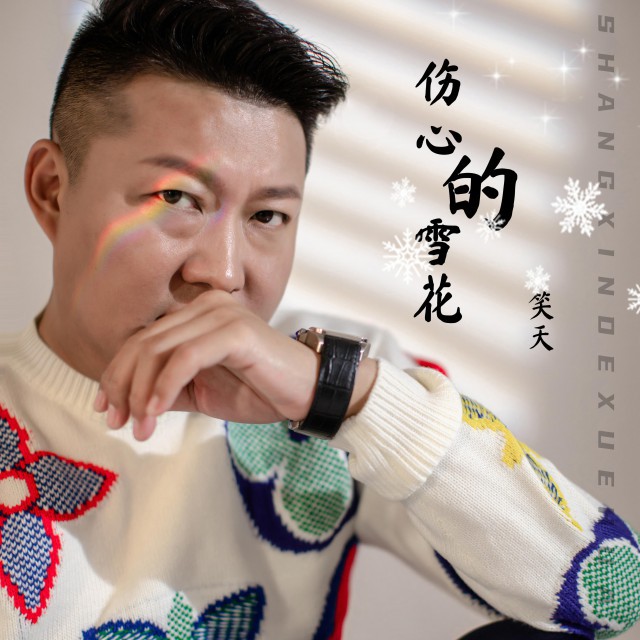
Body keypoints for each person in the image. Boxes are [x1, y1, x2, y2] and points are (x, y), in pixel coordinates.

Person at [0, 0, 638, 638]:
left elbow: (613, 597)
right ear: (52, 189)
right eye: (178, 198)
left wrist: (340, 396)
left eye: (267, 216)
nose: (224, 273)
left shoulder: (326, 389)